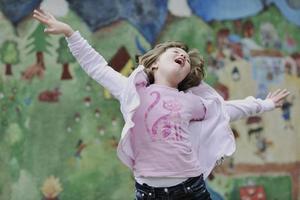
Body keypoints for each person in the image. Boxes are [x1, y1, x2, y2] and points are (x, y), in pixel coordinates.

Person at [33, 9, 290, 200]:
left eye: (186, 58)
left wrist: (264, 104)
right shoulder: (131, 91)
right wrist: (70, 33)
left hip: (190, 189)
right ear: (154, 63)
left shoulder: (191, 102)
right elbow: (97, 67)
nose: (182, 55)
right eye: (175, 52)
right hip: (148, 192)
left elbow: (226, 110)